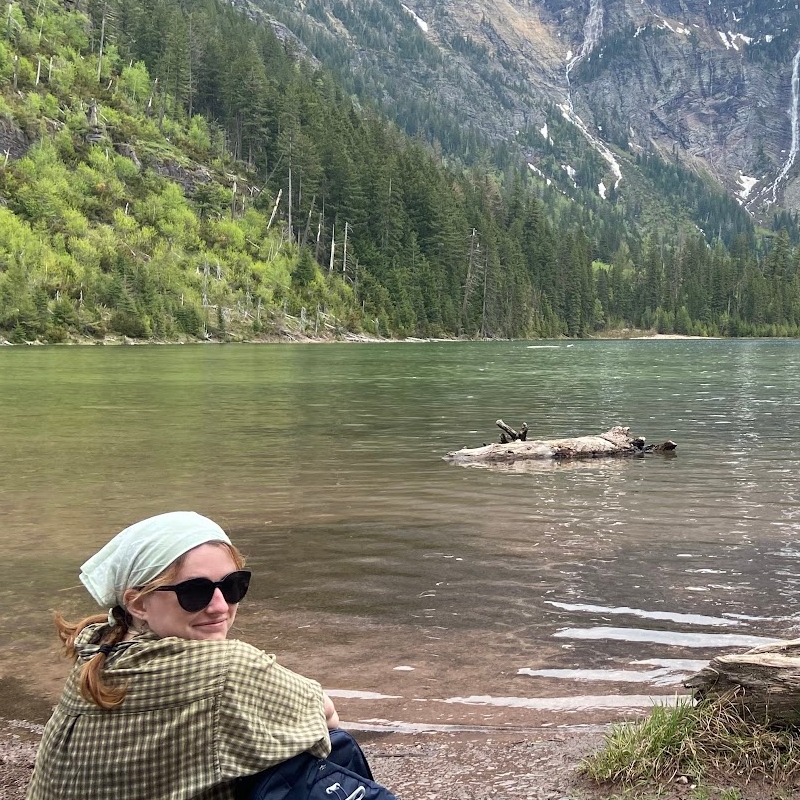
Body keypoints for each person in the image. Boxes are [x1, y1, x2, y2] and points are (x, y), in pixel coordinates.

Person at [26, 511, 383, 800]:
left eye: (232, 586)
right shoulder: (227, 669)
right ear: (138, 602)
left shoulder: (96, 648)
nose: (219, 606)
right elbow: (327, 717)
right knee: (316, 753)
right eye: (194, 592)